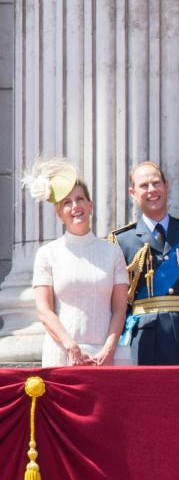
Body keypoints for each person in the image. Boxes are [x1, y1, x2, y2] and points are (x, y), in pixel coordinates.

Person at [109, 162, 179, 365]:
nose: (152, 190)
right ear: (132, 192)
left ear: (166, 186)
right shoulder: (122, 241)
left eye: (156, 183)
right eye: (144, 186)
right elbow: (117, 301)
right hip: (143, 336)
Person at [26, 156, 131, 367]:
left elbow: (120, 309)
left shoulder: (112, 252)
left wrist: (109, 348)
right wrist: (70, 345)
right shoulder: (48, 253)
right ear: (59, 213)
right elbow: (44, 311)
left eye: (80, 199)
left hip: (105, 355)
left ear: (90, 205)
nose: (75, 206)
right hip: (62, 353)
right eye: (67, 202)